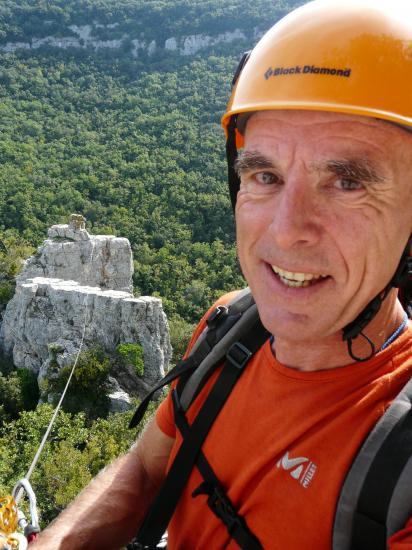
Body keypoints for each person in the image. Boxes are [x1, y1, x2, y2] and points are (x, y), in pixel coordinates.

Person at [31, 0, 412, 548]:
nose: (285, 232)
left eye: (347, 182)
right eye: (264, 174)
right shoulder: (230, 327)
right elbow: (146, 470)